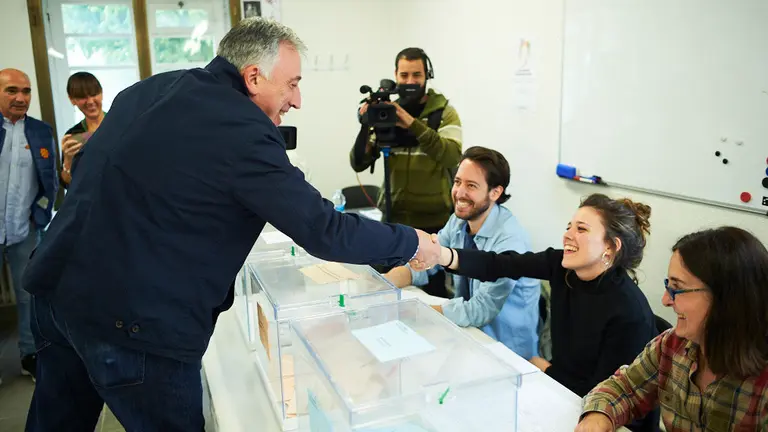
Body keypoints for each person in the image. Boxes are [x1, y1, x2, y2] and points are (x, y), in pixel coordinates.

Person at [21, 18, 440, 431]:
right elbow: (323, 229)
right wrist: (411, 242)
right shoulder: (242, 130)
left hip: (56, 292)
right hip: (133, 327)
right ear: (254, 77)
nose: (297, 100)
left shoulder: (151, 88)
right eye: (292, 83)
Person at [429, 194, 658, 397]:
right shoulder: (562, 266)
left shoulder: (629, 311)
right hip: (560, 390)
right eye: (569, 226)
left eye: (581, 229)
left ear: (611, 247)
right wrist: (443, 255)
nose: (567, 235)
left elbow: (604, 395)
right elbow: (502, 264)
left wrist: (546, 369)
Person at [576, 226, 768, 432]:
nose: (666, 300)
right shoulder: (672, 345)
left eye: (677, 289)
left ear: (728, 299)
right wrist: (598, 417)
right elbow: (624, 388)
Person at [385, 146, 541, 359]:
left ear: (495, 192)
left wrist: (415, 315)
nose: (459, 192)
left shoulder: (510, 240)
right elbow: (428, 261)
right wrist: (382, 285)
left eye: (471, 186)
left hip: (505, 352)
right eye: (457, 182)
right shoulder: (459, 220)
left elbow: (480, 310)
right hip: (465, 335)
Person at [349, 47, 462, 298]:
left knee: (433, 297)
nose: (410, 82)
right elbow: (358, 162)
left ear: (427, 75)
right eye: (404, 75)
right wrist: (366, 127)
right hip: (394, 220)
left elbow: (452, 155)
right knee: (388, 293)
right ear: (395, 75)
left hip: (435, 225)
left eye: (417, 75)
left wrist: (411, 123)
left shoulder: (443, 112)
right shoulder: (386, 110)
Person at [0, 68, 58, 382]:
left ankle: (29, 355)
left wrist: (41, 217)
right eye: (11, 91)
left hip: (24, 229)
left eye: (26, 91)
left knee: (28, 295)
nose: (21, 97)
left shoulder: (40, 131)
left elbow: (48, 180)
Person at [59, 71, 106, 187]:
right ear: (72, 100)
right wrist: (68, 161)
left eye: (94, 94)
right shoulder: (74, 135)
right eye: (82, 97)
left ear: (101, 93)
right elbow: (67, 184)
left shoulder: (121, 123)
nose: (90, 101)